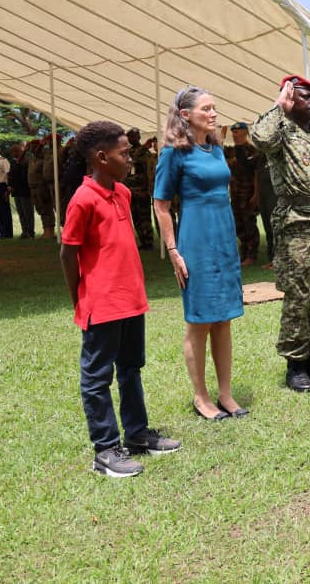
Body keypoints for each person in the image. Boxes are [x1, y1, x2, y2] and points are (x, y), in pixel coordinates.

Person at [60, 120, 181, 477]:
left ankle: (137, 434)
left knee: (131, 369)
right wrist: (79, 298)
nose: (129, 160)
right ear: (100, 157)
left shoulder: (123, 193)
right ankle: (105, 450)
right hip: (102, 304)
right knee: (97, 378)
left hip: (131, 301)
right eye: (123, 154)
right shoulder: (83, 200)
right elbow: (68, 254)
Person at [153, 86, 247, 420]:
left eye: (214, 108)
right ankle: (201, 397)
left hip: (223, 237)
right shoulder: (173, 153)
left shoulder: (217, 149)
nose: (213, 114)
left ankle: (225, 394)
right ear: (185, 115)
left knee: (223, 320)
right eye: (206, 109)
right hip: (195, 239)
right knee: (200, 322)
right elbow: (161, 205)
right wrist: (173, 250)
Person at [251, 76, 310, 392]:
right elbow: (260, 139)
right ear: (290, 99)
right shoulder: (280, 130)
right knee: (298, 296)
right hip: (299, 225)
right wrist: (280, 105)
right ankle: (295, 365)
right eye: (304, 96)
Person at [225, 122, 260, 266]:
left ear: (246, 132)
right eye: (233, 132)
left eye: (238, 131)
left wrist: (256, 195)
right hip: (235, 194)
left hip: (248, 194)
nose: (235, 134)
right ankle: (243, 253)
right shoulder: (230, 151)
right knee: (238, 225)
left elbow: (257, 174)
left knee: (249, 224)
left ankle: (252, 255)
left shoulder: (252, 151)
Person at [124, 129, 156, 251]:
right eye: (130, 137)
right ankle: (142, 241)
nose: (131, 139)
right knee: (135, 217)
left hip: (141, 190)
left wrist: (143, 148)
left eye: (133, 136)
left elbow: (139, 161)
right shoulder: (130, 151)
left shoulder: (145, 152)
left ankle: (149, 242)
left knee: (145, 217)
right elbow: (130, 159)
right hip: (130, 189)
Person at [254, 147, 277, 269]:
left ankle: (278, 260)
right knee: (267, 228)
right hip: (264, 199)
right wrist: (256, 195)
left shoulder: (278, 155)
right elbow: (257, 176)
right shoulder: (261, 157)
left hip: (275, 199)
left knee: (275, 229)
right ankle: (271, 258)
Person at [27, 139, 55, 238]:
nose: (33, 149)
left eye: (34, 146)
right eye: (31, 147)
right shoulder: (32, 159)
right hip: (33, 187)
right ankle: (45, 230)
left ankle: (50, 230)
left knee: (46, 208)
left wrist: (41, 146)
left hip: (41, 186)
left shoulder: (44, 158)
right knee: (40, 209)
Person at [8, 144, 35, 238]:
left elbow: (23, 174)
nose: (14, 153)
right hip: (16, 191)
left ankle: (30, 232)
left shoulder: (26, 161)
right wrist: (10, 186)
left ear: (20, 151)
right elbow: (11, 175)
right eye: (12, 152)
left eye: (16, 151)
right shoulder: (12, 162)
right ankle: (24, 231)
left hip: (25, 191)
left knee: (28, 213)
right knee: (21, 213)